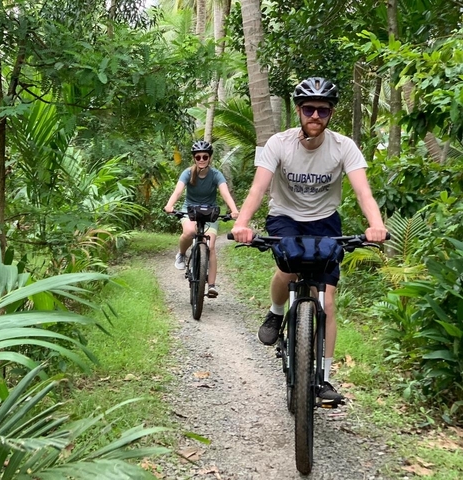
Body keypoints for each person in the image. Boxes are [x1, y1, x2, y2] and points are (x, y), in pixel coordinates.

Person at [230, 77, 388, 401]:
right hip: (285, 217)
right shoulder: (278, 143)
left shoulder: (344, 147)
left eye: (323, 110)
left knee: (327, 302)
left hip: (326, 222)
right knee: (288, 268)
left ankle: (324, 379)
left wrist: (376, 225)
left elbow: (363, 192)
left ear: (331, 114)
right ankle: (276, 311)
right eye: (308, 109)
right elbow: (259, 188)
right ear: (299, 111)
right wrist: (242, 224)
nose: (315, 115)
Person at [164, 140, 239, 298]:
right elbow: (178, 191)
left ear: (210, 157)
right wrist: (170, 205)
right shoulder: (188, 173)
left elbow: (225, 193)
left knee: (210, 246)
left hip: (210, 211)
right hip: (190, 209)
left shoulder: (216, 175)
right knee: (190, 232)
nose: (202, 159)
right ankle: (182, 254)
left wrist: (234, 210)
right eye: (198, 157)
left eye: (205, 156)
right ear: (194, 158)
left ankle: (211, 285)